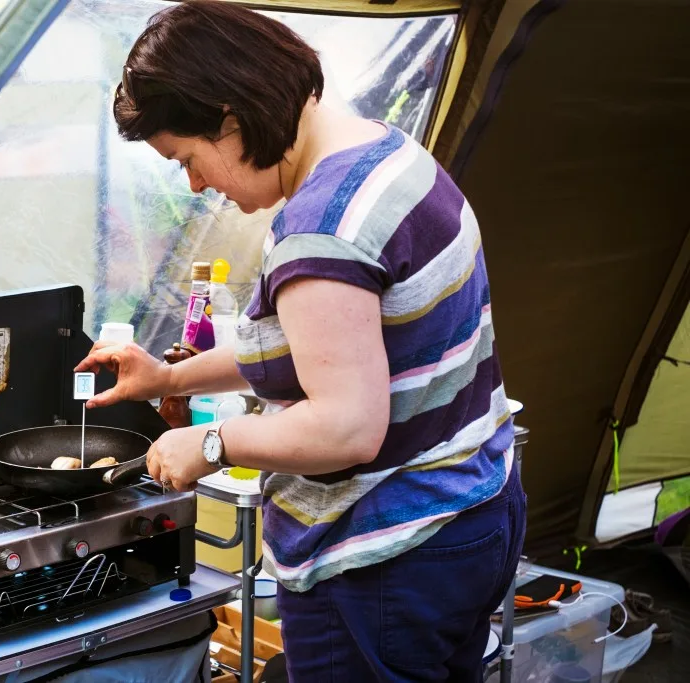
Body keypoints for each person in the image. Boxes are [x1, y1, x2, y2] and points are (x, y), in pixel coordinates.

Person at [75, 2, 525, 681]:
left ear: (229, 119)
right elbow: (315, 347)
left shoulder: (322, 226)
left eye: (188, 159)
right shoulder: (388, 155)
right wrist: (170, 380)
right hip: (471, 514)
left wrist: (211, 444)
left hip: (384, 556)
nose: (196, 185)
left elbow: (346, 427)